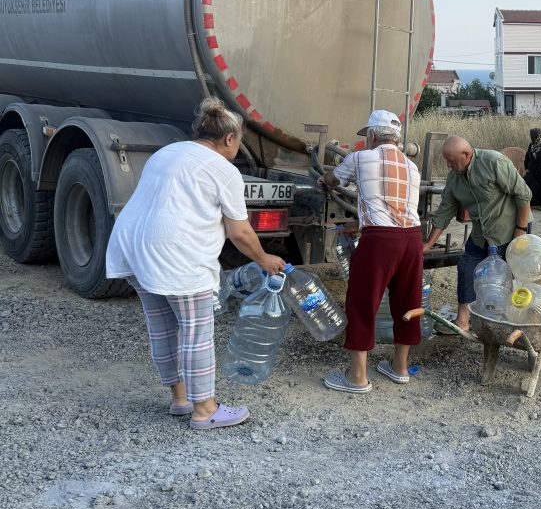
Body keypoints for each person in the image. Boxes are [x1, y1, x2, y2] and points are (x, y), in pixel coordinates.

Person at [106, 98, 285, 430]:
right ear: (230, 138)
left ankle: (180, 399)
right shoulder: (223, 170)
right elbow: (240, 231)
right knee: (197, 333)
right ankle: (205, 410)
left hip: (132, 246)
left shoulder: (167, 153)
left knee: (162, 327)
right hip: (176, 255)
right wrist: (264, 258)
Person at [316, 110, 422, 392]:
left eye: (367, 137)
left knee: (362, 303)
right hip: (411, 239)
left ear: (373, 135)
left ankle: (357, 377)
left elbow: (333, 181)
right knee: (407, 302)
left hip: (379, 240)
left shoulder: (360, 157)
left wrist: (323, 180)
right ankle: (399, 368)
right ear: (397, 139)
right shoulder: (412, 167)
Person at [423, 136, 531, 331]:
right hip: (482, 234)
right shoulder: (454, 178)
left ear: (467, 154)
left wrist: (520, 231)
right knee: (467, 267)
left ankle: (511, 322)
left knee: (509, 276)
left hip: (510, 229)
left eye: (452, 161)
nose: (449, 166)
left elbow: (523, 194)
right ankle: (463, 321)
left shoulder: (493, 162)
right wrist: (428, 244)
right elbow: (444, 211)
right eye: (447, 161)